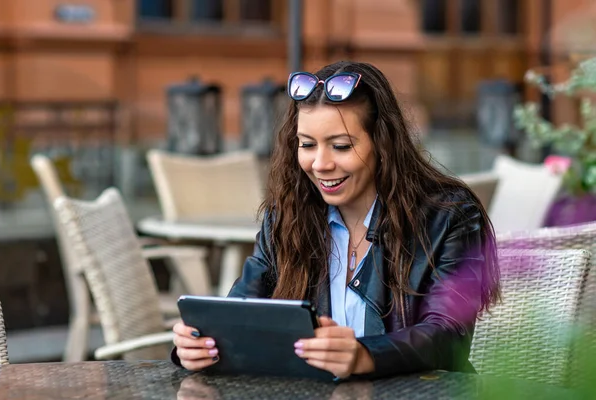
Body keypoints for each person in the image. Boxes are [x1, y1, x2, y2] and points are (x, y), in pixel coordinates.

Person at [172, 61, 501, 380]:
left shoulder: (450, 215)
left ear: (383, 144)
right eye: (307, 145)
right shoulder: (289, 215)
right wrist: (197, 344)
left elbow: (448, 335)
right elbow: (238, 314)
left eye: (341, 146)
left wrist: (366, 355)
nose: (320, 164)